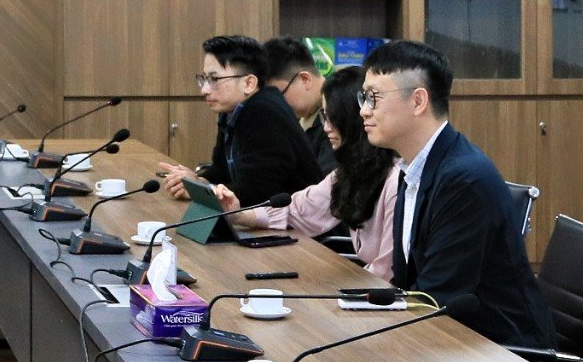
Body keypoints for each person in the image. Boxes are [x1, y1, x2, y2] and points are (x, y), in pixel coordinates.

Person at [359, 39, 555, 350]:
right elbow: (411, 285)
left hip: (503, 354)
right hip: (450, 341)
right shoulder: (415, 168)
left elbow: (436, 298)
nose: (363, 111)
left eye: (373, 98)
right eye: (364, 98)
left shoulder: (463, 179)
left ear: (418, 101)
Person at [217, 66, 402, 276]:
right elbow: (297, 210)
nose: (326, 127)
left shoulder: (395, 180)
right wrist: (237, 214)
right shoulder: (349, 173)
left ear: (355, 119)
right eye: (324, 116)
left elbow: (388, 271)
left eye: (333, 118)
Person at [155, 33, 320, 208]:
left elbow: (255, 194)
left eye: (214, 79)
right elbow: (222, 171)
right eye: (204, 78)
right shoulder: (231, 110)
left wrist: (201, 190)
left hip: (302, 222)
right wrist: (195, 181)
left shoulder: (264, 112)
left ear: (249, 83)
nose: (205, 90)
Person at [263, 35, 335, 176]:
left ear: (305, 79)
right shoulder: (300, 116)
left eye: (278, 96)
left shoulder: (338, 115)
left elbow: (322, 180)